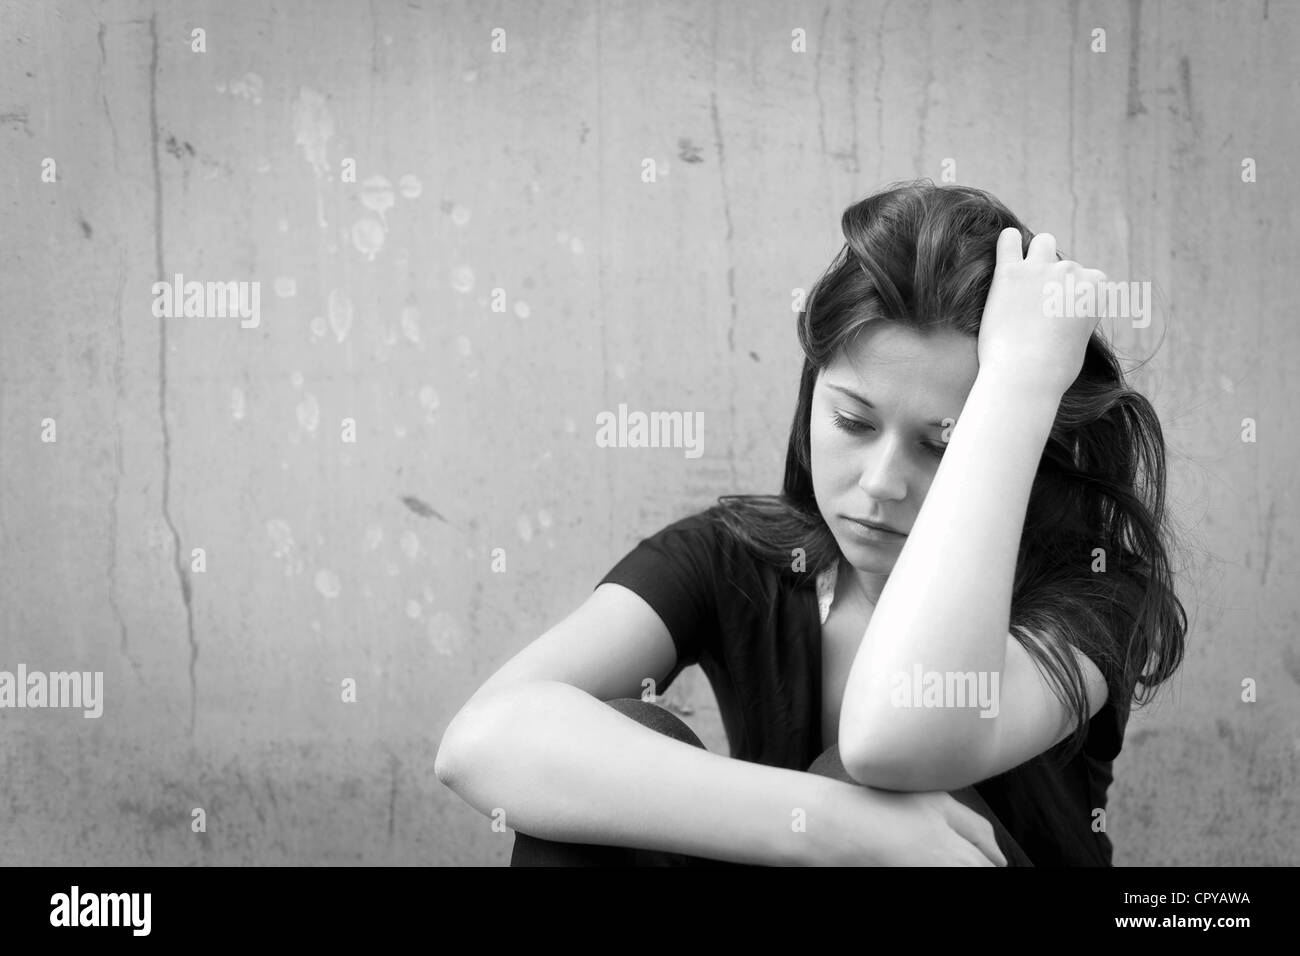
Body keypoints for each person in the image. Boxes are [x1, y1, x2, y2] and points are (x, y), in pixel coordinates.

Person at [434, 180, 1188, 866]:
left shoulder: (1089, 595)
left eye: (944, 444)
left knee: (869, 774)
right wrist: (832, 825)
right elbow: (482, 740)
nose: (882, 482)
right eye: (854, 422)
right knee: (618, 747)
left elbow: (894, 739)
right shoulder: (738, 557)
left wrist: (1022, 382)